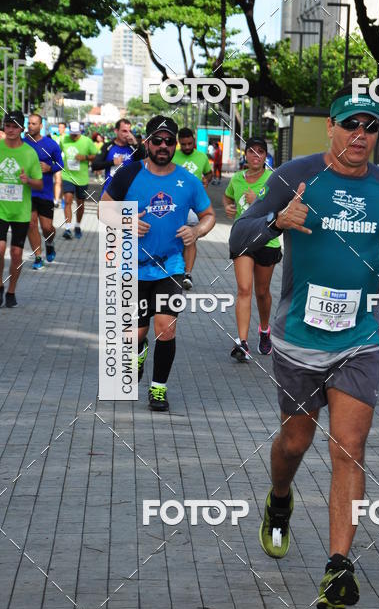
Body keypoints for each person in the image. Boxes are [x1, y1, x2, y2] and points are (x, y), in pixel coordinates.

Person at [229, 85, 379, 609]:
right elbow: (238, 237)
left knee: (348, 449)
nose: (361, 135)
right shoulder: (294, 176)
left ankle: (338, 568)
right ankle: (279, 501)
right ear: (331, 128)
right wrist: (273, 222)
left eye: (372, 127)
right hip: (299, 338)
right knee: (294, 443)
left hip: (360, 338)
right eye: (351, 125)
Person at [101, 115, 215, 412]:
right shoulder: (128, 173)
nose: (164, 146)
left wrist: (196, 231)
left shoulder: (188, 181)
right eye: (158, 140)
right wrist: (125, 220)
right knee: (136, 333)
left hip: (171, 266)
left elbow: (209, 216)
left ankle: (158, 389)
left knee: (166, 328)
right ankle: (138, 352)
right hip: (132, 266)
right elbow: (103, 209)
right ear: (147, 142)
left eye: (169, 141)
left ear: (175, 144)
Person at [224, 137, 282, 361]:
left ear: (265, 156)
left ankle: (265, 330)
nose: (256, 156)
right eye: (251, 152)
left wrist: (258, 199)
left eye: (260, 152)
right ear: (245, 155)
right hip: (242, 239)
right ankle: (242, 342)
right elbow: (228, 196)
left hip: (267, 240)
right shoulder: (237, 179)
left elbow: (283, 207)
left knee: (261, 292)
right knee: (244, 289)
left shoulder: (274, 179)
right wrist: (228, 207)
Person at [0, 110, 43, 307]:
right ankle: (0, 285)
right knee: (0, 249)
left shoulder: (29, 153)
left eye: (14, 127)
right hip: (1, 209)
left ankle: (11, 291)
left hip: (20, 211)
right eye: (7, 126)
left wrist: (28, 180)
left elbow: (40, 184)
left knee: (16, 253)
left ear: (21, 129)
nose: (10, 130)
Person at [172, 126, 213, 290]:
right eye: (184, 144)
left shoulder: (202, 157)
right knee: (174, 238)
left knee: (190, 237)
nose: (187, 147)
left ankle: (187, 274)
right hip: (173, 205)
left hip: (193, 206)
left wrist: (206, 180)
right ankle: (175, 270)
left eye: (190, 143)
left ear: (194, 141)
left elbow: (208, 174)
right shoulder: (172, 155)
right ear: (178, 143)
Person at [23, 113, 63, 268]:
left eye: (34, 124)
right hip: (28, 191)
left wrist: (49, 167)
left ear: (41, 126)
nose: (30, 126)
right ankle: (38, 257)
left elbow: (60, 164)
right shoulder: (23, 144)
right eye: (29, 124)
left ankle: (50, 243)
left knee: (47, 227)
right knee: (31, 225)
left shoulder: (51, 144)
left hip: (45, 192)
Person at [60, 122, 96, 239]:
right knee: (68, 200)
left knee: (80, 204)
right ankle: (67, 228)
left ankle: (78, 225)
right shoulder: (63, 140)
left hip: (82, 178)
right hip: (67, 176)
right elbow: (57, 153)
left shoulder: (87, 141)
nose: (74, 136)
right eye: (72, 134)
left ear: (80, 131)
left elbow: (95, 156)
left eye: (76, 134)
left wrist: (84, 157)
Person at [91, 118, 137, 186]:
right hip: (109, 192)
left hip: (127, 193)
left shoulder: (133, 147)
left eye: (129, 131)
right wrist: (112, 162)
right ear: (116, 131)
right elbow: (94, 165)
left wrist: (135, 143)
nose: (128, 134)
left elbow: (146, 163)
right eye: (124, 131)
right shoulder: (108, 146)